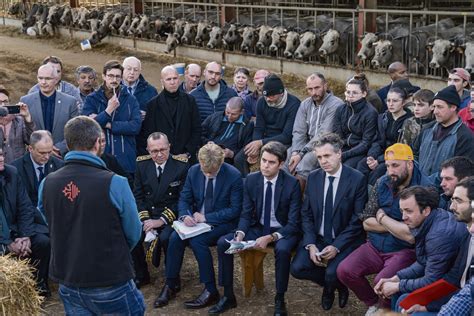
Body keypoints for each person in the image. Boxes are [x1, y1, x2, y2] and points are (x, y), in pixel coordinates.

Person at [38, 116, 145, 315]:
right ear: (97, 142)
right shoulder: (116, 182)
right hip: (110, 278)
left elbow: (50, 220)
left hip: (68, 278)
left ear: (67, 143)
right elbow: (133, 231)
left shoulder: (47, 183)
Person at [337, 143, 433, 316]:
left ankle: (385, 309)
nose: (390, 171)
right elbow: (366, 220)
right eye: (388, 165)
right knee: (344, 270)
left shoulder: (424, 189)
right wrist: (395, 226)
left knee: (381, 281)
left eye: (395, 165)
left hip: (404, 251)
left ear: (410, 164)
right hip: (374, 245)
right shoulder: (383, 181)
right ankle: (374, 304)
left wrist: (381, 217)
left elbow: (411, 236)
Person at [213, 141, 302, 315]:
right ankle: (228, 296)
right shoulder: (251, 180)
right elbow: (246, 214)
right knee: (223, 243)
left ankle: (279, 298)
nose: (265, 166)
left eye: (271, 162)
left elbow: (293, 223)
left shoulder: (292, 184)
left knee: (283, 251)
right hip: (259, 227)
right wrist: (240, 233)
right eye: (263, 160)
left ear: (281, 164)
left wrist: (271, 238)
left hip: (283, 230)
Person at [154, 143, 243, 309]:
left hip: (221, 223)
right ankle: (170, 284)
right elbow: (184, 198)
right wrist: (185, 215)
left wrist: (207, 217)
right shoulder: (194, 170)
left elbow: (235, 210)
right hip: (195, 221)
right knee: (175, 237)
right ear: (200, 162)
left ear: (222, 162)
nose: (208, 175)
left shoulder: (234, 175)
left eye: (213, 172)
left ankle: (210, 290)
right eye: (205, 171)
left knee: (197, 242)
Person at [290, 133, 367, 311]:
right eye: (319, 157)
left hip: (344, 238)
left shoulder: (357, 179)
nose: (323, 161)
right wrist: (310, 244)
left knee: (334, 272)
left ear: (339, 154)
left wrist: (336, 246)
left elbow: (357, 220)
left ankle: (332, 285)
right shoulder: (314, 177)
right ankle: (334, 285)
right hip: (318, 236)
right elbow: (306, 214)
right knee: (297, 268)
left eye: (327, 156)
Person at [374, 186, 469, 311]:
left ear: (426, 211)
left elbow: (431, 280)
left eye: (408, 211)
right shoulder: (429, 221)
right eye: (402, 211)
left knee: (403, 300)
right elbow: (423, 262)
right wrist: (396, 278)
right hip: (445, 280)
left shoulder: (439, 234)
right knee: (399, 295)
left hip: (454, 288)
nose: (403, 217)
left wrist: (398, 286)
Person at [132, 132, 189, 289]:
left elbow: (182, 199)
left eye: (163, 149)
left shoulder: (181, 166)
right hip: (148, 215)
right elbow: (138, 196)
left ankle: (172, 278)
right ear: (148, 150)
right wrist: (145, 221)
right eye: (154, 151)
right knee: (132, 234)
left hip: (170, 216)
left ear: (169, 147)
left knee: (166, 238)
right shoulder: (141, 165)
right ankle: (141, 274)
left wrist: (160, 221)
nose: (159, 154)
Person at [0, 146, 50, 297]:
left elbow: (26, 207)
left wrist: (25, 236)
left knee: (43, 242)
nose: (1, 158)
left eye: (1, 154)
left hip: (16, 229)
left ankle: (38, 286)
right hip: (3, 236)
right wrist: (7, 243)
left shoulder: (11, 173)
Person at [82, 60, 142, 175]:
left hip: (126, 162)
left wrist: (109, 124)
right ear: (104, 76)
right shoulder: (92, 99)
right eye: (110, 76)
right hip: (100, 161)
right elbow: (88, 126)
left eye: (117, 77)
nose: (114, 80)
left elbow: (135, 126)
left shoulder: (130, 99)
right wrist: (108, 110)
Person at [234, 74, 300, 176]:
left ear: (281, 93)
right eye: (266, 96)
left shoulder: (294, 104)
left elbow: (287, 136)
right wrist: (256, 147)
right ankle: (247, 184)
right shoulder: (262, 102)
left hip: (282, 142)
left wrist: (261, 143)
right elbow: (259, 128)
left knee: (272, 160)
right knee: (239, 159)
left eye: (272, 96)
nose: (268, 99)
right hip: (264, 139)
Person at [287, 73, 344, 180]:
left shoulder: (336, 104)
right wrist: (295, 152)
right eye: (310, 89)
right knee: (286, 156)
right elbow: (299, 131)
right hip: (305, 143)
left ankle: (298, 195)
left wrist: (302, 153)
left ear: (325, 86)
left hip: (326, 144)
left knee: (306, 162)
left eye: (317, 88)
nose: (313, 92)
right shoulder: (305, 104)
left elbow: (324, 133)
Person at [138, 66, 201, 162]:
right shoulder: (153, 105)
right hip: (162, 159)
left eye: (175, 78)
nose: (172, 82)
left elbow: (196, 129)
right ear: (162, 81)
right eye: (168, 79)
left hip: (186, 159)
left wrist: (187, 153)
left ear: (179, 79)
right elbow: (149, 133)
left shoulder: (190, 101)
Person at [414, 85, 474, 180]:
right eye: (434, 107)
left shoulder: (464, 137)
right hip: (419, 187)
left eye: (440, 107)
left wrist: (431, 182)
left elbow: (462, 172)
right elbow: (414, 155)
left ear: (453, 107)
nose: (435, 111)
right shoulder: (427, 129)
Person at [358, 87, 413, 185]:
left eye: (395, 101)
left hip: (396, 157)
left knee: (378, 171)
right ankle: (359, 193)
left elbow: (401, 148)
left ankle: (371, 197)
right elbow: (377, 141)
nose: (390, 104)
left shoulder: (409, 122)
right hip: (380, 154)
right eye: (388, 100)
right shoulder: (382, 118)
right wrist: (372, 157)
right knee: (362, 164)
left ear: (403, 103)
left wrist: (379, 160)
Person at [20, 64, 79, 157]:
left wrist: (59, 148)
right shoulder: (26, 101)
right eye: (40, 78)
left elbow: (75, 131)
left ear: (56, 80)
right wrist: (43, 149)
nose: (43, 82)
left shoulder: (70, 102)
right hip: (35, 156)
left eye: (48, 78)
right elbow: (23, 131)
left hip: (61, 157)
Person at [333, 78, 378, 168]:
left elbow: (366, 143)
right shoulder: (341, 109)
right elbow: (337, 135)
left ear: (364, 94)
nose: (350, 95)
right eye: (348, 92)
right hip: (343, 148)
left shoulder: (370, 113)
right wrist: (338, 151)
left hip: (360, 151)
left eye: (355, 93)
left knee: (345, 168)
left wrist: (345, 155)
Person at [11, 130, 64, 208]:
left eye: (49, 152)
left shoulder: (60, 166)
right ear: (30, 149)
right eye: (42, 153)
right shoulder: (15, 168)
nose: (47, 157)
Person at [201, 96, 254, 165]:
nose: (229, 116)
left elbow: (246, 148)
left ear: (242, 112)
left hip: (229, 161)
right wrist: (207, 142)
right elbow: (199, 132)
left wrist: (232, 154)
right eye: (227, 112)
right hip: (208, 153)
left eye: (233, 114)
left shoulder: (247, 125)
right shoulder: (215, 117)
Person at [0, 87, 35, 163]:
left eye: (5, 101)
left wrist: (27, 117)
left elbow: (31, 141)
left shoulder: (19, 120)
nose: (3, 105)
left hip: (18, 168)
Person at [122, 56, 158, 120]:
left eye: (136, 70)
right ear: (122, 69)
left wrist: (148, 115)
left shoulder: (151, 91)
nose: (132, 72)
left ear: (139, 72)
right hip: (117, 128)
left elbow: (158, 114)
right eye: (129, 69)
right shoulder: (113, 89)